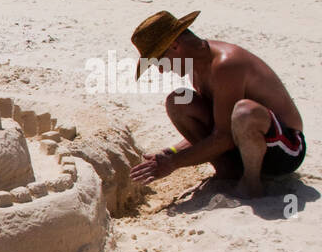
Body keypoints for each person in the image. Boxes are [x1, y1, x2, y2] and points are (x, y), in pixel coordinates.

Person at [128, 11, 305, 199]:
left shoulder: (225, 64)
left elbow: (225, 136)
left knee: (245, 112)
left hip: (286, 150)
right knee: (178, 102)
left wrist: (173, 163)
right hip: (244, 142)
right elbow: (222, 125)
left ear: (174, 46)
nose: (162, 70)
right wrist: (170, 153)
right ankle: (228, 171)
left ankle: (251, 183)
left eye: (158, 62)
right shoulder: (196, 67)